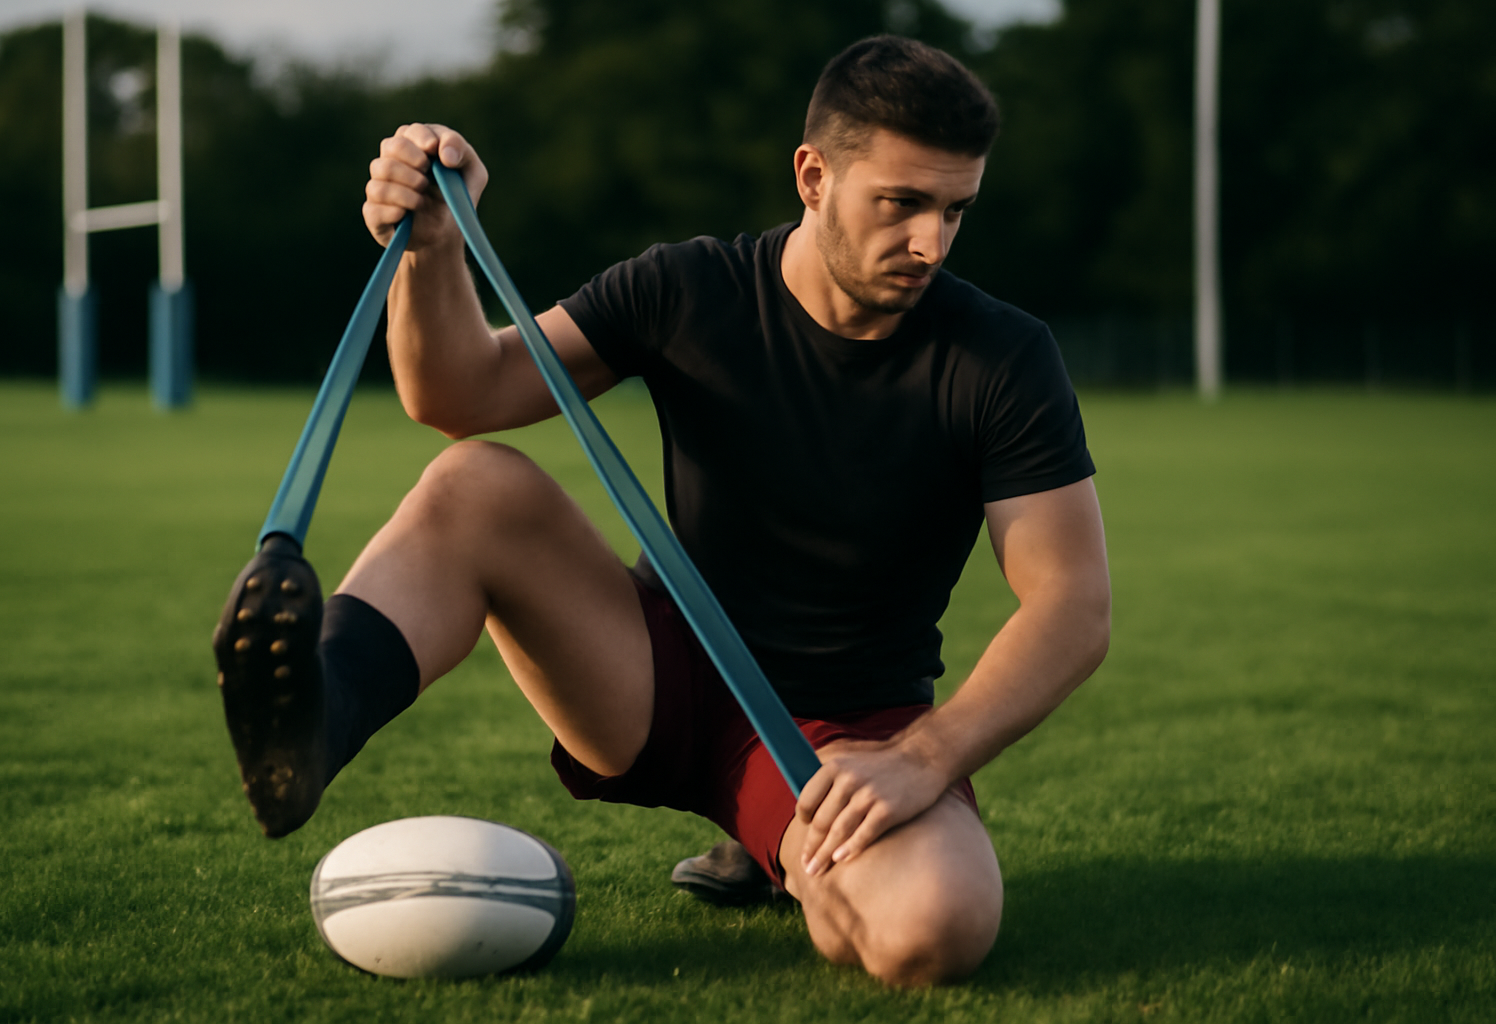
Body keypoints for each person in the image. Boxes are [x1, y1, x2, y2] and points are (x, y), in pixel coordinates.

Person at [213, 35, 1110, 987]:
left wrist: (925, 756)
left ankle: (777, 845)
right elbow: (461, 394)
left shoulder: (1001, 356)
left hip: (843, 738)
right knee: (476, 483)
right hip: (654, 679)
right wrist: (433, 247)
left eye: (954, 209)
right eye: (902, 203)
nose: (930, 241)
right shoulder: (690, 288)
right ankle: (315, 720)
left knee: (937, 926)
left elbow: (1071, 605)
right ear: (813, 175)